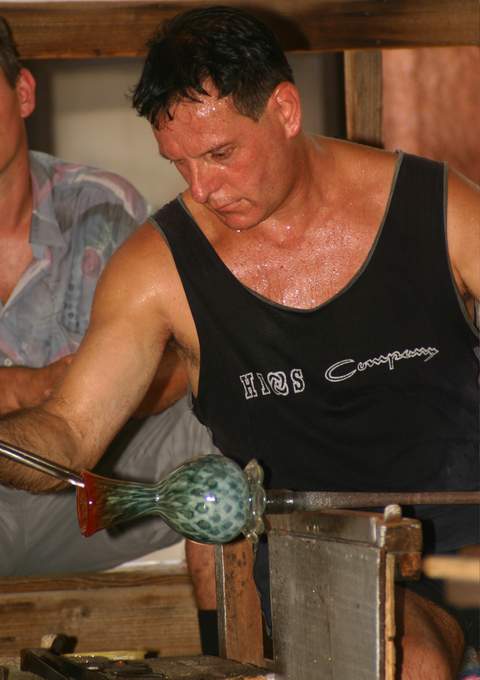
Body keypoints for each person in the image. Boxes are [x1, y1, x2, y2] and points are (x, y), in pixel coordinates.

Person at [0, 6, 478, 677]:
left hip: (469, 539)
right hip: (325, 556)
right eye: (179, 162)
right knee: (406, 657)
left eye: (220, 154)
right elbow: (69, 429)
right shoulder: (158, 268)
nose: (202, 189)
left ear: (284, 110)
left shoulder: (439, 208)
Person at [0, 15, 218, 578]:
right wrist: (29, 387)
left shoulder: (100, 206)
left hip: (88, 492)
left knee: (230, 415)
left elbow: (170, 363)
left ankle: (228, 629)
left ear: (23, 93)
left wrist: (105, 389)